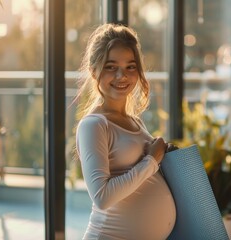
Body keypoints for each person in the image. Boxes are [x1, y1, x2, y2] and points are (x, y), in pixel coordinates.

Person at [74, 23, 176, 240]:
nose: (122, 76)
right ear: (94, 71)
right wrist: (150, 161)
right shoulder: (94, 125)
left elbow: (141, 177)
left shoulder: (135, 122)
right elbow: (102, 196)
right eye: (111, 67)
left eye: (131, 67)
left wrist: (163, 159)